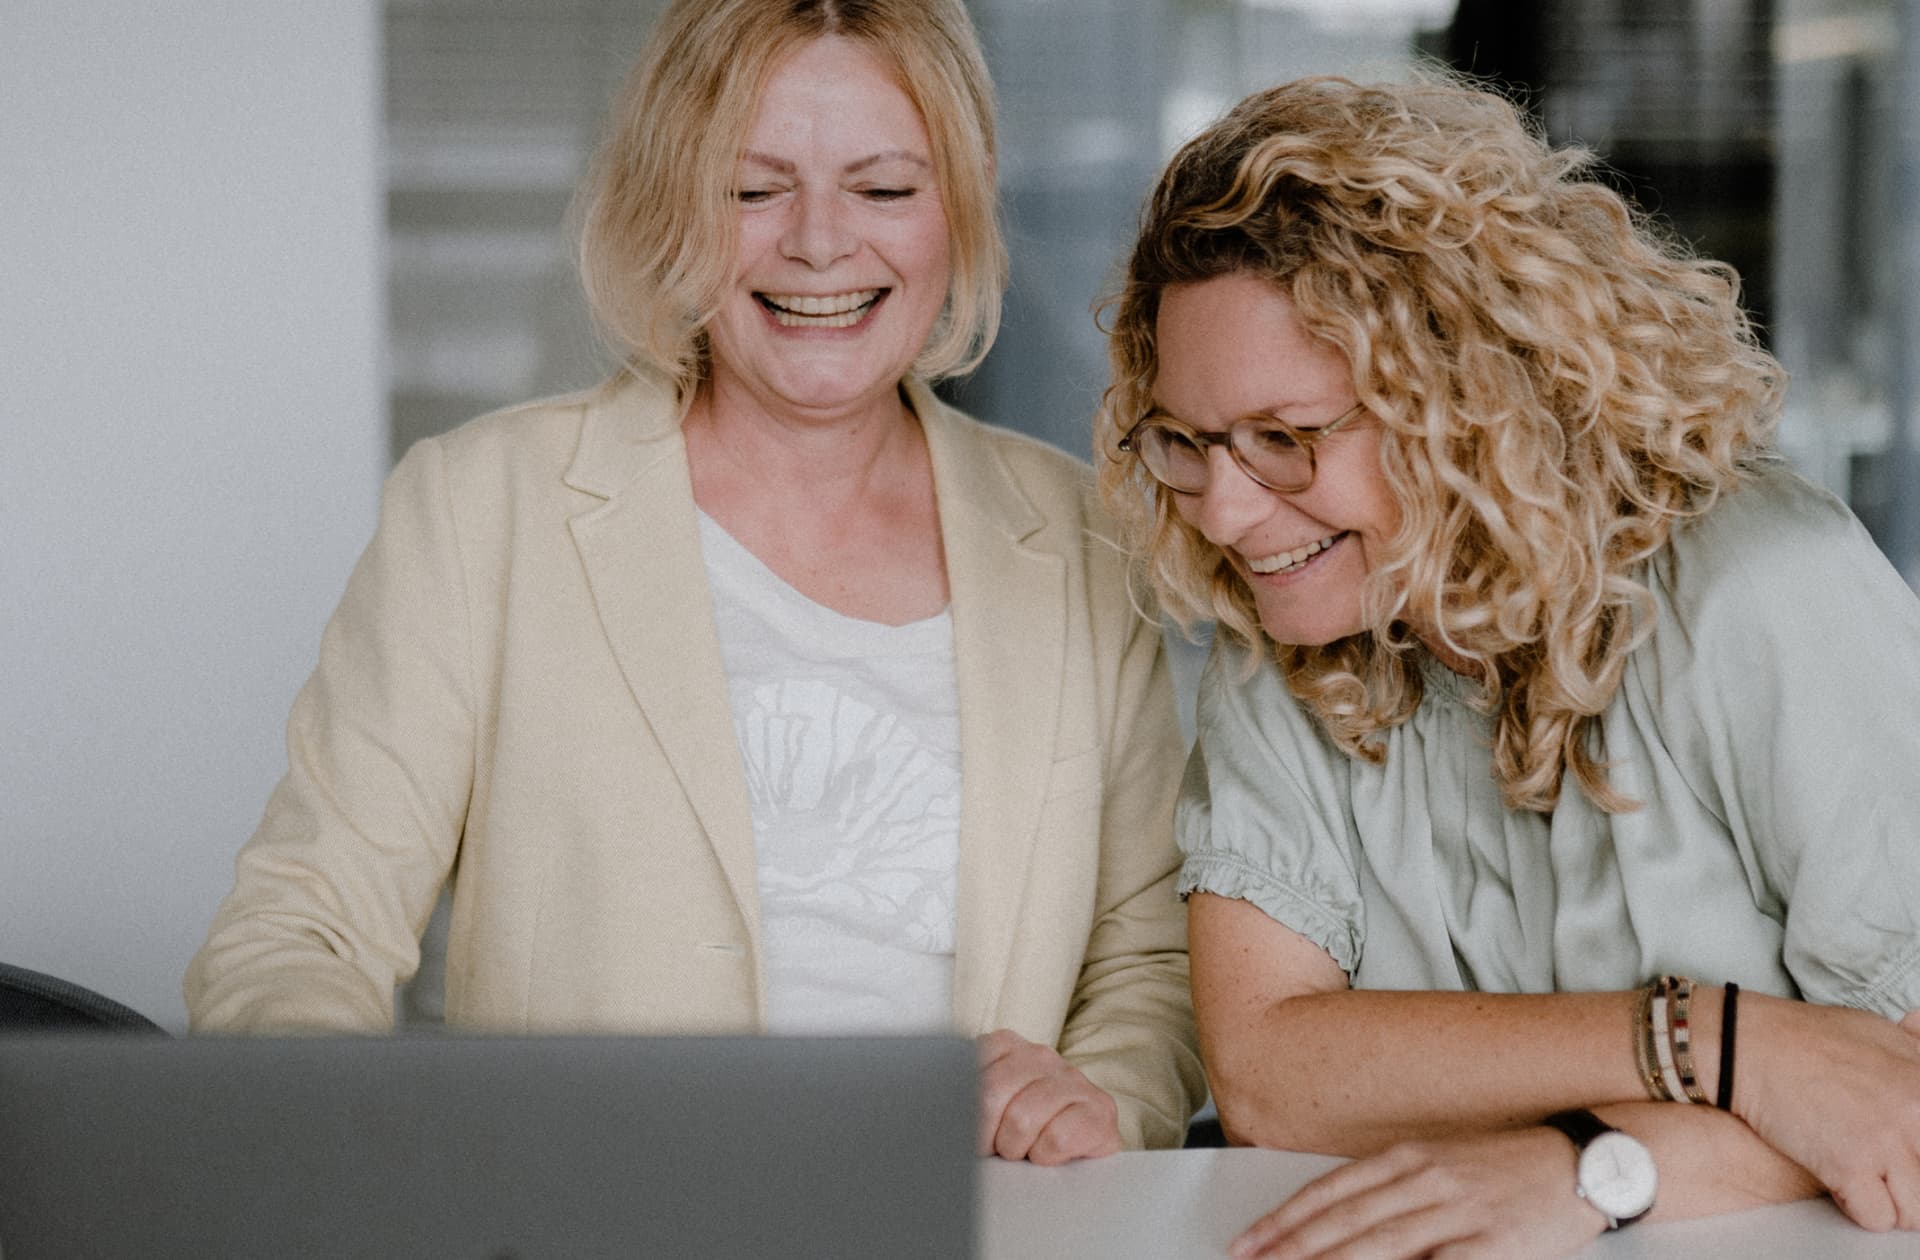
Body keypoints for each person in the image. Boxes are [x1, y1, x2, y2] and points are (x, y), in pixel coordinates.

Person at [187, 0, 1204, 1164]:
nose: (821, 244)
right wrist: (370, 1158)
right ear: (673, 203)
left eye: (883, 190)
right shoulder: (482, 508)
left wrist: (1095, 1110)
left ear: (960, 213)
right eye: (752, 189)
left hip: (982, 1227)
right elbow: (301, 932)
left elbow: (1147, 958)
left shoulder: (1084, 535)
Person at [1097, 74, 1920, 1255]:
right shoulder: (1282, 634)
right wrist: (1716, 1042)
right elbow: (1271, 1069)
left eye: (1285, 438)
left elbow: (1896, 1101)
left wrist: (1589, 1168)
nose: (1227, 513)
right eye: (1188, 440)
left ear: (1467, 397)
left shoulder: (1763, 591)